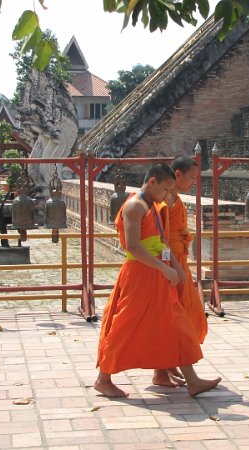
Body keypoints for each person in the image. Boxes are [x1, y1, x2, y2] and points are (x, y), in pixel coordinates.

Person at [94, 163, 221, 398]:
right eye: (165, 189)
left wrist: (173, 263)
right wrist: (164, 267)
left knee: (175, 323)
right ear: (152, 182)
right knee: (125, 325)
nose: (167, 195)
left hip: (158, 273)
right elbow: (132, 246)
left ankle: (188, 380)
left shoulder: (153, 205)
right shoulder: (134, 206)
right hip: (140, 274)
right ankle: (103, 379)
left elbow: (159, 240)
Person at [152, 155, 209, 386]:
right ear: (178, 175)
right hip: (172, 263)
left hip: (178, 260)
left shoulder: (173, 199)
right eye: (192, 177)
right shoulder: (167, 202)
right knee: (179, 318)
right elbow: (162, 238)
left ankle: (166, 367)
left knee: (184, 315)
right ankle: (165, 369)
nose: (194, 182)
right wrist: (172, 267)